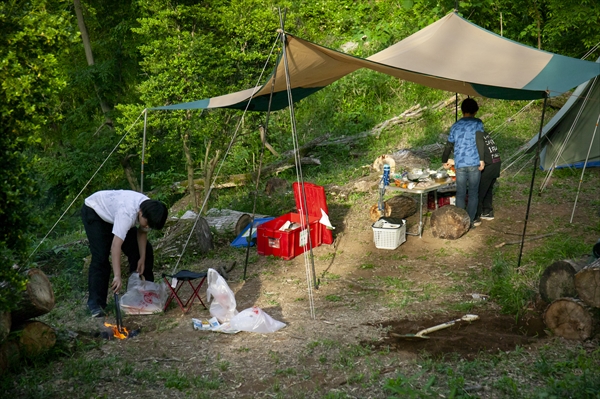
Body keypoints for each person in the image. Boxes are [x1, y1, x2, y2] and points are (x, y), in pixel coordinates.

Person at [81, 190, 168, 317]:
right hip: (96, 211)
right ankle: (96, 304)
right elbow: (116, 246)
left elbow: (142, 232)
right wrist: (117, 276)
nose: (148, 226)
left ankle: (142, 295)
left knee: (144, 251)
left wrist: (142, 258)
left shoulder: (150, 209)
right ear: (141, 213)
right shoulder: (127, 213)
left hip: (115, 213)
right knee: (100, 256)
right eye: (147, 223)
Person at [442, 98, 485, 228]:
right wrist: (481, 159)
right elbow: (480, 141)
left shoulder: (456, 125)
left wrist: (444, 160)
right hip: (474, 163)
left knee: (460, 193)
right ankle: (470, 222)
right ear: (475, 111)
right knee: (473, 193)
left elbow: (449, 144)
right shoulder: (478, 123)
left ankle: (460, 221)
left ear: (462, 110)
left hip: (460, 164)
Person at [476, 130, 501, 221]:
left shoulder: (475, 135)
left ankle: (475, 217)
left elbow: (478, 153)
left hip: (489, 165)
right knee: (487, 189)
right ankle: (487, 211)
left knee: (478, 191)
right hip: (496, 163)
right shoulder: (484, 133)